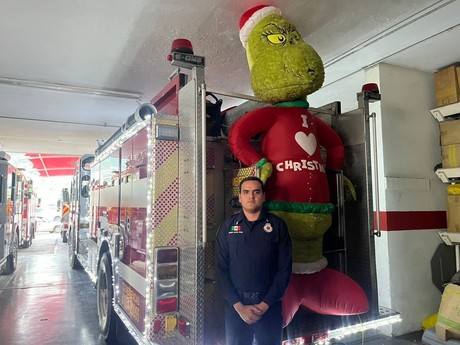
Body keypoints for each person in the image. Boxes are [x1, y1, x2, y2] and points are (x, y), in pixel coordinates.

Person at [215, 176, 292, 345]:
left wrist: (265, 305)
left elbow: (284, 270)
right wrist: (238, 306)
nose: (251, 196)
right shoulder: (228, 227)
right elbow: (221, 269)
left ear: (264, 196)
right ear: (240, 197)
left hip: (269, 307)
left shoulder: (278, 226)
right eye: (246, 192)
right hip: (236, 308)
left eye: (256, 192)